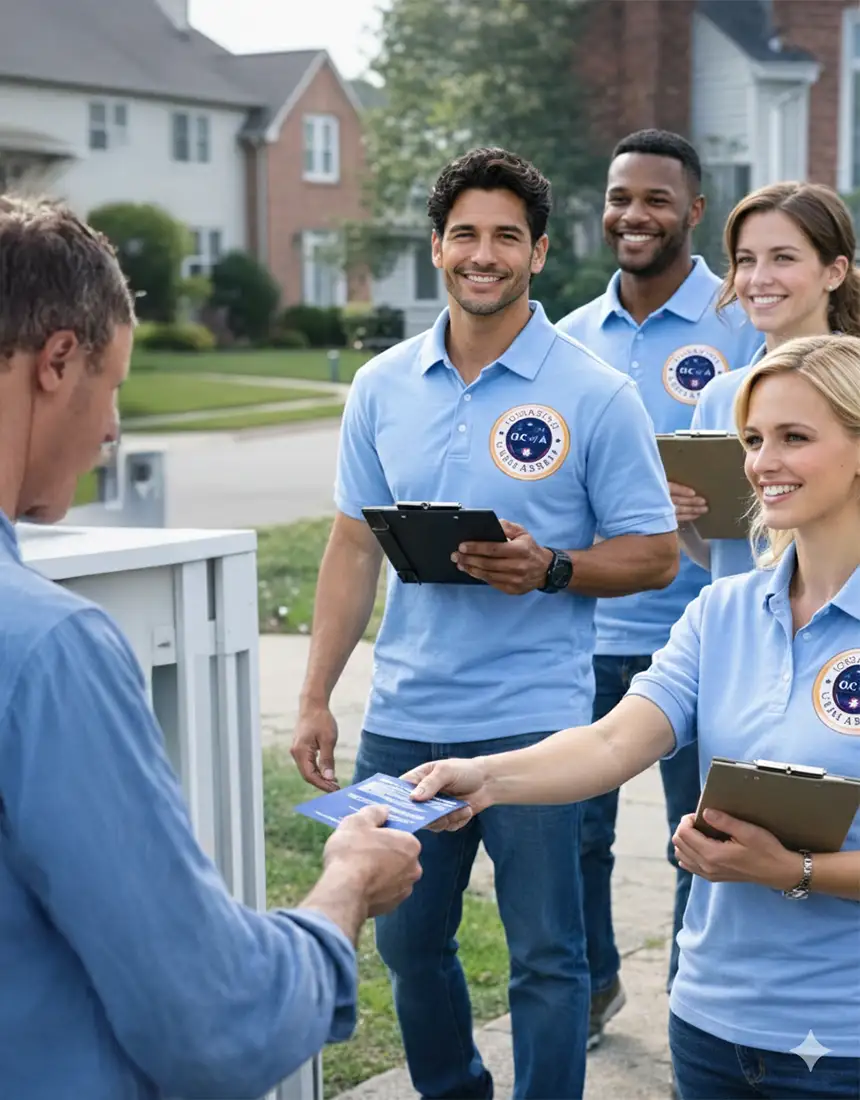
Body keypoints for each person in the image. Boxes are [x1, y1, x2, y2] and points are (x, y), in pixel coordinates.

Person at [0, 195, 423, 1100]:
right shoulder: (47, 652)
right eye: (112, 386)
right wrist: (343, 889)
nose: (111, 429)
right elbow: (213, 1020)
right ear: (58, 362)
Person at [291, 146, 680, 1100]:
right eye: (465, 233)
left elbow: (657, 552)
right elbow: (350, 549)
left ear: (540, 253)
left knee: (548, 956)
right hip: (404, 717)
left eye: (507, 235)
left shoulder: (596, 393)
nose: (484, 253)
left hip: (537, 724)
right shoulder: (381, 385)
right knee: (408, 942)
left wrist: (551, 567)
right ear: (436, 247)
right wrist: (314, 698)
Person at [406, 333, 860, 1100]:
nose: (761, 463)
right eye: (753, 439)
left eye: (795, 438)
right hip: (712, 1025)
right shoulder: (723, 613)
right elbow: (615, 739)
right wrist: (483, 779)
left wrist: (796, 872)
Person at [555, 128, 763, 1046]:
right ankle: (598, 986)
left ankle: (691, 1004)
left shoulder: (744, 322)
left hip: (707, 627)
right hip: (589, 629)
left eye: (656, 200)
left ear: (695, 212)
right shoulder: (566, 339)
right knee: (579, 833)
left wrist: (715, 496)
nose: (634, 216)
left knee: (701, 837)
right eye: (619, 197)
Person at [671, 182, 860, 580]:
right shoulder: (719, 396)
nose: (759, 279)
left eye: (783, 258)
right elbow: (727, 558)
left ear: (834, 271)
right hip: (749, 627)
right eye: (745, 260)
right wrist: (682, 519)